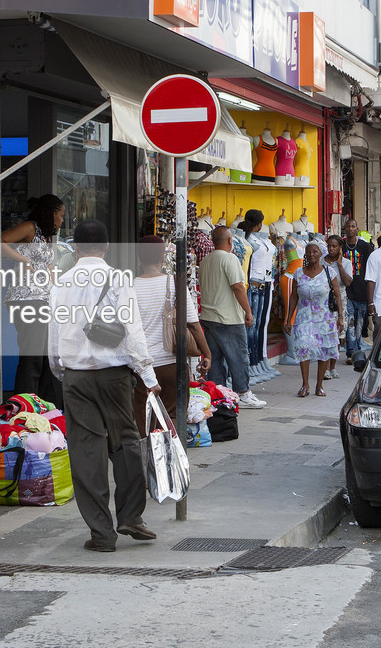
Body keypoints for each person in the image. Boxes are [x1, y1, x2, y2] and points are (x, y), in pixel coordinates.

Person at [49, 220, 159, 553]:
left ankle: (101, 534)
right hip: (115, 375)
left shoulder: (61, 282)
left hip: (76, 376)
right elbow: (132, 329)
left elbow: (54, 332)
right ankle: (130, 515)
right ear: (107, 247)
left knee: (86, 453)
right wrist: (148, 376)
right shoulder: (119, 279)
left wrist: (61, 370)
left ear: (76, 247)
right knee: (125, 443)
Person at [130, 235, 210, 435]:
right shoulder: (174, 283)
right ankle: (173, 460)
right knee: (174, 417)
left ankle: (151, 463)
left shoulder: (129, 287)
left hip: (143, 368)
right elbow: (192, 323)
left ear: (139, 258)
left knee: (145, 420)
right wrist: (206, 354)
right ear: (162, 257)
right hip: (173, 364)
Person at [2, 194, 63, 405]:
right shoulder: (30, 228)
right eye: (61, 215)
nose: (62, 220)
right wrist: (23, 259)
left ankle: (46, 407)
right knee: (33, 357)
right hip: (27, 298)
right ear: (52, 213)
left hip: (44, 299)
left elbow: (47, 268)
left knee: (47, 357)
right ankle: (24, 406)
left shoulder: (45, 237)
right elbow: (1, 240)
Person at [198, 225, 266, 408]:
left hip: (209, 316)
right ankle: (243, 392)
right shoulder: (229, 259)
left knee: (216, 358)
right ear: (229, 241)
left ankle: (219, 394)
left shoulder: (205, 261)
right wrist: (248, 311)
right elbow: (238, 286)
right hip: (228, 318)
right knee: (238, 356)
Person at [284, 242, 344, 398]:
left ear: (320, 254)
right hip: (303, 317)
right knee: (303, 347)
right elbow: (293, 297)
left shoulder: (329, 272)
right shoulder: (298, 273)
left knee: (323, 351)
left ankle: (319, 385)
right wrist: (288, 319)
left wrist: (341, 318)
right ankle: (305, 384)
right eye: (308, 252)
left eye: (315, 252)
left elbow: (337, 295)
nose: (311, 254)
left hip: (324, 318)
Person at [239, 211, 277, 380]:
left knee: (261, 324)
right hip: (253, 284)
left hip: (265, 282)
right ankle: (251, 362)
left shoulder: (261, 240)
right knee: (252, 327)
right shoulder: (248, 240)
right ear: (259, 223)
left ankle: (259, 359)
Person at [339, 219, 373, 364]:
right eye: (348, 226)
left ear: (357, 228)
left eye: (353, 226)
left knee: (359, 323)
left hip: (362, 291)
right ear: (345, 229)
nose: (350, 229)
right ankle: (351, 353)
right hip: (347, 291)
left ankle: (357, 351)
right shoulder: (341, 246)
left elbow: (371, 269)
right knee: (350, 322)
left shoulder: (365, 247)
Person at [321, 235, 351, 381]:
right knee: (326, 334)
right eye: (329, 246)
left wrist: (339, 264)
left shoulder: (346, 263)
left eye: (334, 246)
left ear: (340, 248)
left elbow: (348, 282)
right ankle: (325, 368)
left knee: (338, 335)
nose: (331, 249)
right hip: (324, 301)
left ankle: (333, 367)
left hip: (340, 300)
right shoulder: (321, 262)